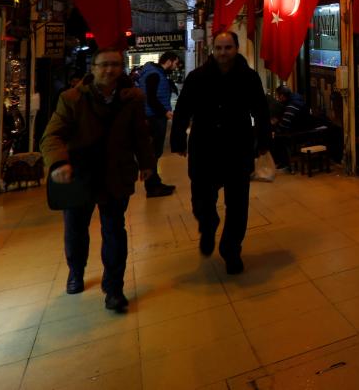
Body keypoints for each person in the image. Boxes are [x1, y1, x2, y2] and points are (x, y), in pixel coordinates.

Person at [41, 49, 155, 313]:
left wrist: (148, 162)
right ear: (93, 68)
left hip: (115, 173)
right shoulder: (71, 99)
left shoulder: (132, 98)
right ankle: (76, 271)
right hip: (80, 175)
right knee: (76, 229)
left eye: (115, 65)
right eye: (104, 65)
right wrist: (59, 162)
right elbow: (52, 135)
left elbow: (140, 133)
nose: (110, 70)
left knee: (114, 230)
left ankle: (114, 288)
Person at [170, 30, 270, 274]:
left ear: (236, 49)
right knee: (201, 201)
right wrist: (178, 141)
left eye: (228, 47)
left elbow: (261, 111)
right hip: (205, 148)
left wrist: (264, 141)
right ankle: (208, 224)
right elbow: (182, 110)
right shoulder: (197, 78)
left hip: (237, 148)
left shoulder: (248, 77)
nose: (223, 52)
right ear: (212, 50)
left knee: (237, 205)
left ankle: (231, 249)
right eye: (219, 48)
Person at [137, 50, 180, 197]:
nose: (175, 67)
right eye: (175, 63)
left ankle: (156, 183)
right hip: (154, 118)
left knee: (154, 153)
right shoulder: (155, 74)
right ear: (169, 60)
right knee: (153, 153)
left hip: (154, 116)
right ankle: (153, 187)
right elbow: (151, 98)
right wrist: (164, 112)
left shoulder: (156, 73)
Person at [269, 85, 314, 171]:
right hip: (305, 129)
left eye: (277, 95)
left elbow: (285, 123)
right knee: (278, 134)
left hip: (301, 132)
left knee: (278, 137)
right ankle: (282, 162)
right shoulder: (295, 100)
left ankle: (284, 163)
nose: (277, 98)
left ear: (282, 96)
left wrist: (275, 125)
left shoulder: (292, 104)